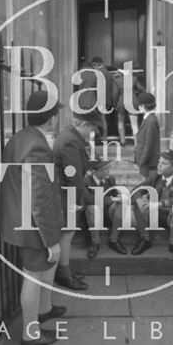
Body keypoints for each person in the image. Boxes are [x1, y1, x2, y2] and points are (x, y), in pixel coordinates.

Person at [0, 90, 65, 345]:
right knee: (34, 276)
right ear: (51, 118)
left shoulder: (20, 138)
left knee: (43, 270)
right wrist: (51, 240)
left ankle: (44, 309)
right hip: (33, 226)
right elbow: (39, 198)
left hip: (21, 218)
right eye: (56, 113)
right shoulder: (36, 145)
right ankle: (30, 334)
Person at [53, 109, 102, 290]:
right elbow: (73, 176)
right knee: (66, 236)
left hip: (66, 194)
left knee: (67, 236)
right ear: (84, 124)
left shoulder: (68, 136)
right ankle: (64, 275)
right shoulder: (71, 141)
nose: (93, 133)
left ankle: (64, 272)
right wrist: (81, 199)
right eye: (92, 128)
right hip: (67, 195)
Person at [130, 150, 173, 262]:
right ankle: (145, 239)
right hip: (155, 216)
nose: (159, 165)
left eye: (164, 163)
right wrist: (140, 201)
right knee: (138, 203)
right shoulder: (154, 176)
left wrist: (160, 204)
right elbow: (136, 190)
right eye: (159, 162)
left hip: (172, 216)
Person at [84, 160, 127, 259]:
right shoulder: (86, 181)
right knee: (92, 206)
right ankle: (95, 242)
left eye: (108, 169)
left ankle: (114, 240)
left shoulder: (110, 179)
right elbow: (88, 199)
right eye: (104, 169)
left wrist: (119, 196)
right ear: (95, 171)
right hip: (92, 215)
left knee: (122, 203)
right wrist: (111, 199)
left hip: (106, 212)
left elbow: (114, 193)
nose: (108, 172)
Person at [113, 66, 145, 146]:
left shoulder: (117, 81)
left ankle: (123, 141)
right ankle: (136, 144)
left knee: (120, 122)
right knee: (134, 124)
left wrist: (115, 104)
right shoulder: (133, 79)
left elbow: (114, 94)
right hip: (133, 102)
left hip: (121, 103)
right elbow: (142, 89)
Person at [135, 92, 160, 177]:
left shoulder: (151, 121)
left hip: (149, 164)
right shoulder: (148, 119)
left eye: (139, 105)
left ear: (142, 106)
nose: (138, 107)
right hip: (147, 164)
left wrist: (142, 162)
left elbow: (149, 145)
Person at [90, 56, 115, 140]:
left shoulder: (97, 73)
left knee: (97, 119)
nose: (93, 67)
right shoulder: (108, 73)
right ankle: (104, 137)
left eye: (94, 65)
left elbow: (94, 87)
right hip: (107, 100)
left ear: (98, 64)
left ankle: (100, 137)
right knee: (103, 119)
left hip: (99, 99)